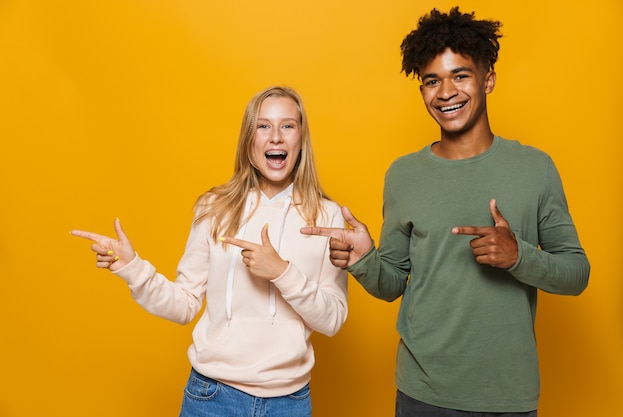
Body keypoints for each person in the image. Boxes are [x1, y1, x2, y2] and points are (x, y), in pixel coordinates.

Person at [301, 7, 589, 416]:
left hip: (507, 394)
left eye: (460, 75)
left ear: (487, 79)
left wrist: (519, 256)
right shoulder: (404, 175)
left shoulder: (535, 168)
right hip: (423, 392)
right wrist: (365, 259)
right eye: (432, 81)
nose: (445, 92)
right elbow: (392, 283)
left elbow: (577, 273)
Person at [71, 86, 348, 417]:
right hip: (211, 397)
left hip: (289, 403)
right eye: (263, 126)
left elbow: (332, 320)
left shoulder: (327, 217)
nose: (275, 136)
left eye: (287, 125)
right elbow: (185, 304)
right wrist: (133, 267)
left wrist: (281, 272)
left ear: (301, 139)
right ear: (249, 140)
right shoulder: (214, 208)